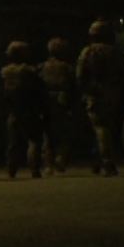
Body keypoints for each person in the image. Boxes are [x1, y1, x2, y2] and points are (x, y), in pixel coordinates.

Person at [77, 20, 124, 177]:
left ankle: (106, 162)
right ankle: (97, 162)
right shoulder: (116, 52)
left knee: (99, 128)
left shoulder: (88, 52)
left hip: (95, 94)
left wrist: (85, 91)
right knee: (106, 128)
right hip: (113, 94)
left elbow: (80, 75)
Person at [0, 40, 48, 178]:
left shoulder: (4, 72)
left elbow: (1, 92)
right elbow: (39, 90)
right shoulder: (29, 71)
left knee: (13, 141)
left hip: (13, 110)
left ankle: (11, 168)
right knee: (34, 139)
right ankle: (34, 168)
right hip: (29, 109)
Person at [39, 37, 79, 173]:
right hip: (62, 102)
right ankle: (60, 159)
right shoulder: (67, 68)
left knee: (47, 134)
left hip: (45, 102)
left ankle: (48, 164)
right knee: (63, 133)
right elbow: (73, 86)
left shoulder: (42, 67)